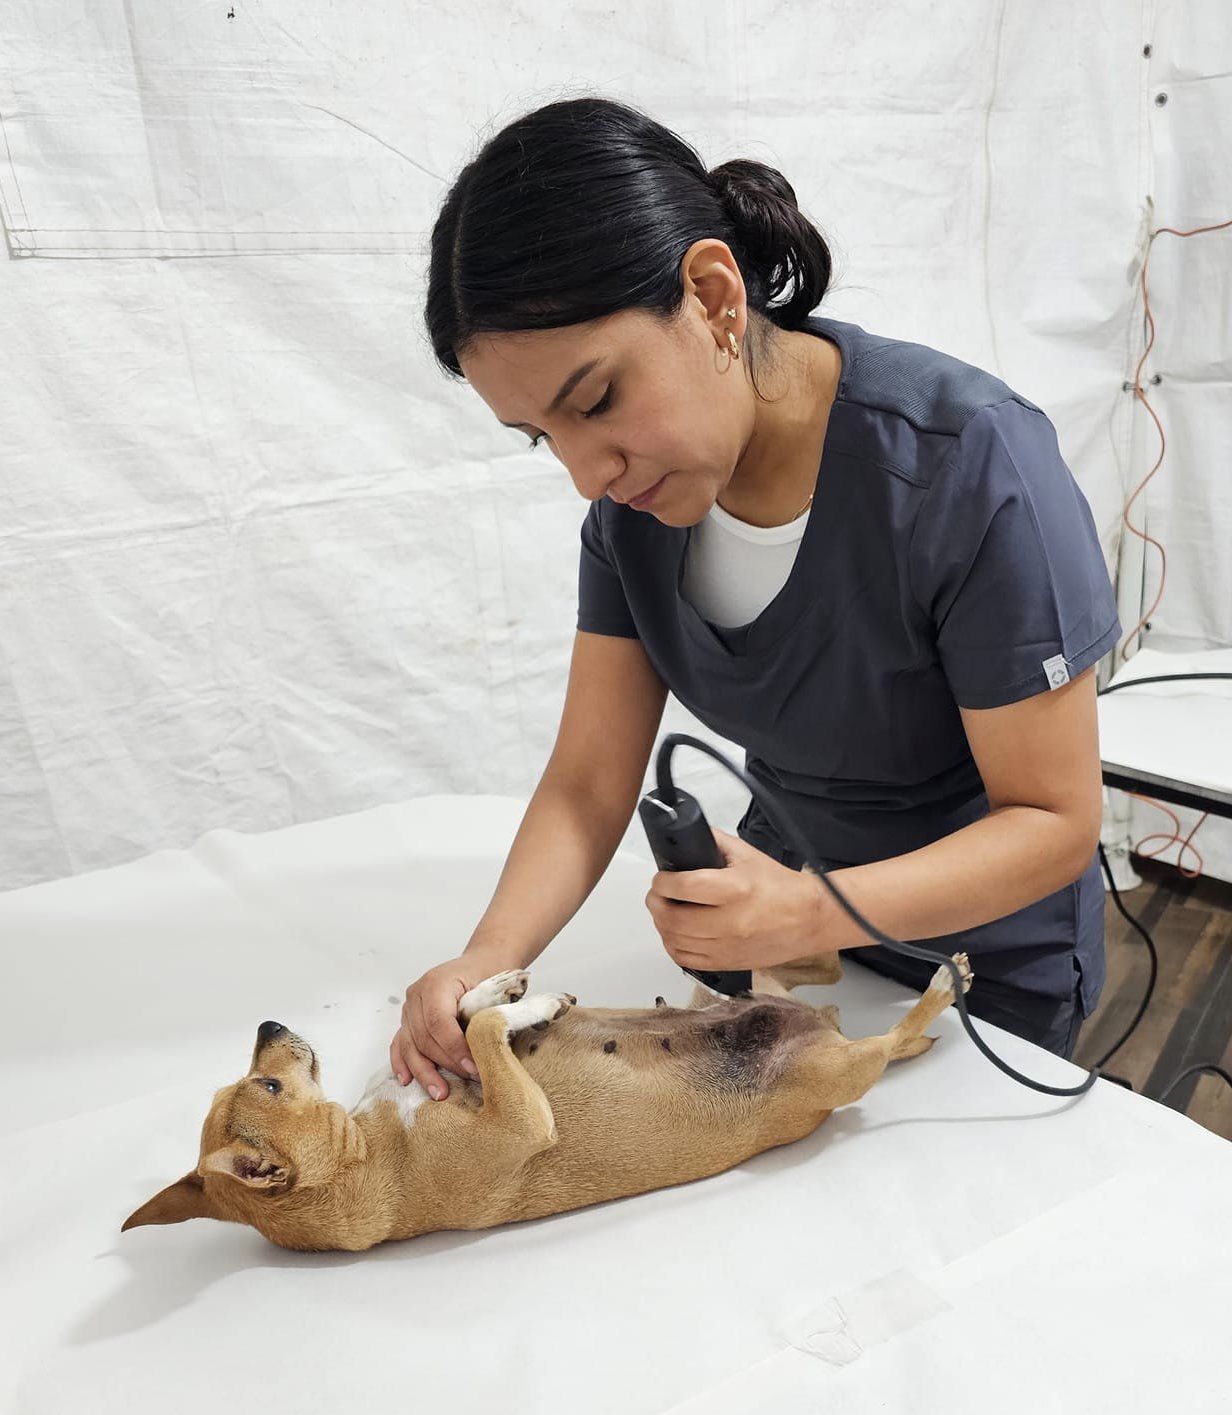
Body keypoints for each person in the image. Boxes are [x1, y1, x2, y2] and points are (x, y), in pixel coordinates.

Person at [393, 95, 1119, 1097]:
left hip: (985, 972)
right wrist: (487, 957)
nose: (585, 473)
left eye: (597, 400)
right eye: (541, 437)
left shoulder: (968, 466)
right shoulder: (632, 517)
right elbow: (589, 781)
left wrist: (816, 907)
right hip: (784, 949)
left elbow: (1053, 817)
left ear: (714, 296)